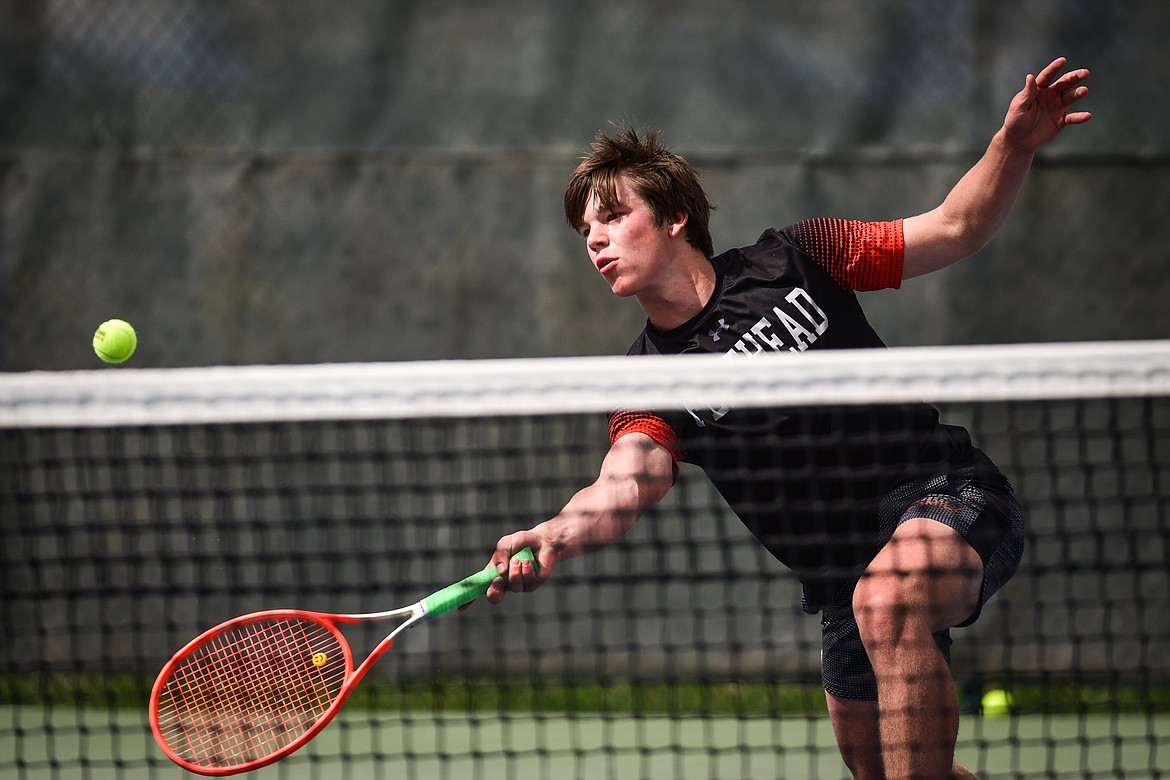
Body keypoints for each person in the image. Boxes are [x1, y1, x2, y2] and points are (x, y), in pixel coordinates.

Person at [483, 57, 1091, 780]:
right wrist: (554, 533)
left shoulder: (801, 258)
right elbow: (623, 486)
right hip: (840, 577)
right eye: (585, 227)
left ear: (676, 218)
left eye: (613, 216)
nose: (594, 239)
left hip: (947, 494)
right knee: (883, 767)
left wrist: (1011, 146)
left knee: (889, 600)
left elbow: (955, 229)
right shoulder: (647, 381)